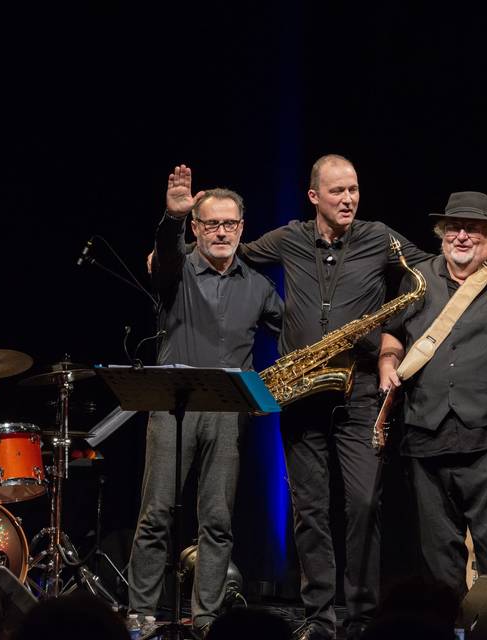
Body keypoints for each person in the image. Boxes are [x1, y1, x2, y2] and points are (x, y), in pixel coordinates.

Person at [235, 156, 487, 640]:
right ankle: (318, 617)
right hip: (302, 390)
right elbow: (236, 253)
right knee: (309, 511)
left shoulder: (381, 237)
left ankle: (359, 617)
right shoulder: (288, 237)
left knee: (363, 504)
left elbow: (440, 258)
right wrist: (177, 245)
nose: (348, 199)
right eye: (337, 191)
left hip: (357, 393)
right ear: (314, 196)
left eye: (354, 189)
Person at [128, 166, 283, 635]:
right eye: (211, 223)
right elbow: (165, 253)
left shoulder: (258, 286)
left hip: (228, 413)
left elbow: (293, 335)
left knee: (217, 520)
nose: (221, 232)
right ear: (196, 227)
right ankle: (142, 611)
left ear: (242, 227)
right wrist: (171, 218)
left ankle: (208, 618)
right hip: (173, 408)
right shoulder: (173, 270)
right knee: (156, 513)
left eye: (230, 224)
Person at [378, 192, 487, 599]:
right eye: (454, 228)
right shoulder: (417, 277)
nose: (462, 236)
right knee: (436, 556)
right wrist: (387, 362)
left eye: (474, 229)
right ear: (442, 234)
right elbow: (393, 332)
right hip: (425, 433)